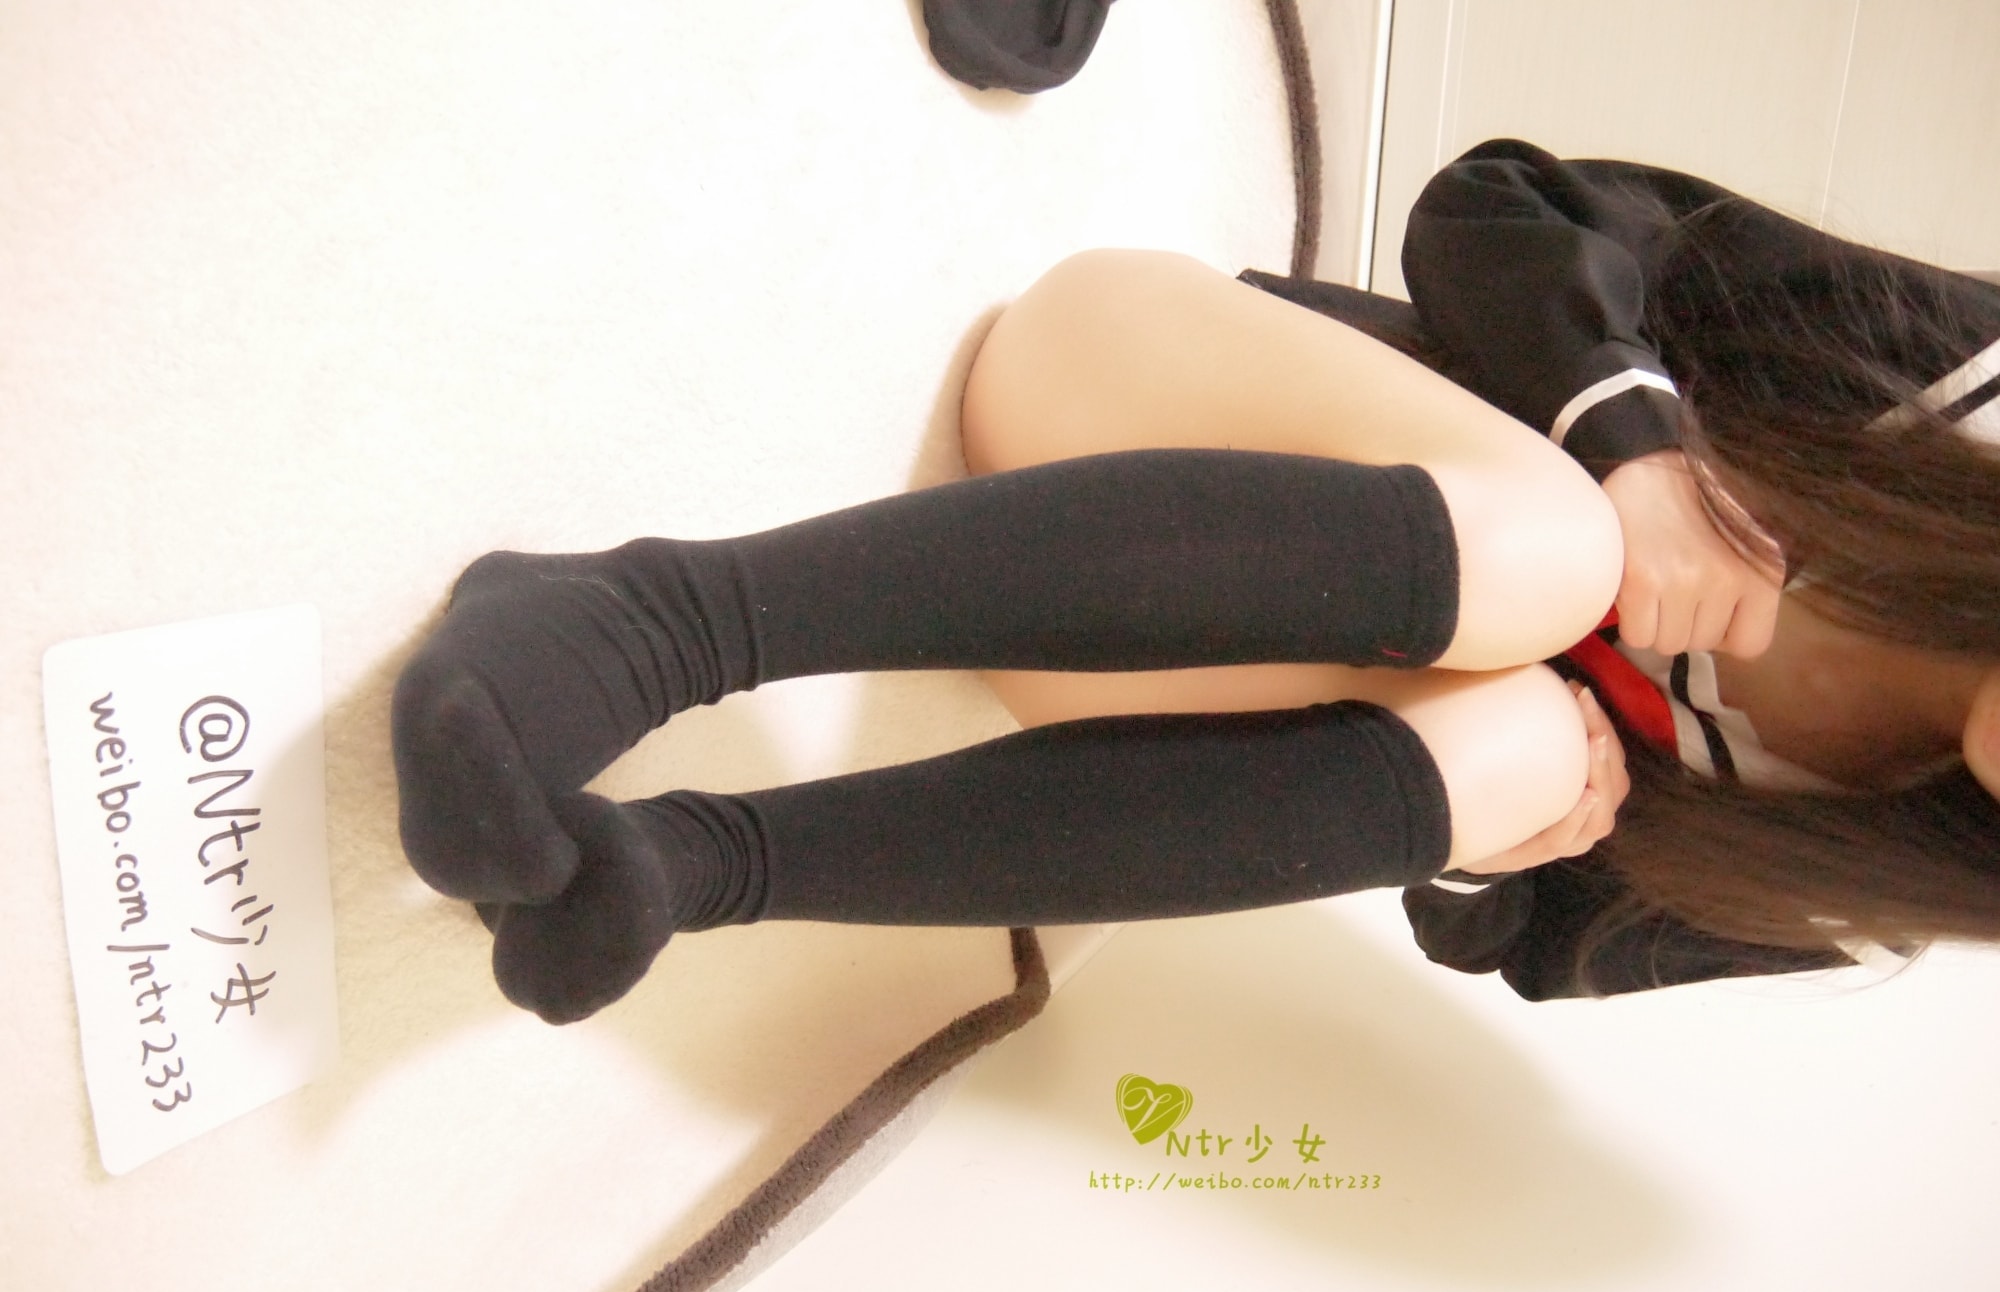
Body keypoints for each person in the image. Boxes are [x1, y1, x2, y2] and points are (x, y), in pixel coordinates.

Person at [391, 139, 2000, 1022]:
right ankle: (639, 623)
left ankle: (688, 866)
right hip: (1134, 381)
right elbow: (1504, 206)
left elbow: (1522, 938)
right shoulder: (1956, 393)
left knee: (1521, 754)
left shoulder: (1866, 894)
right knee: (1566, 547)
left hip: (1114, 691)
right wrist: (1633, 444)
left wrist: (1491, 852)